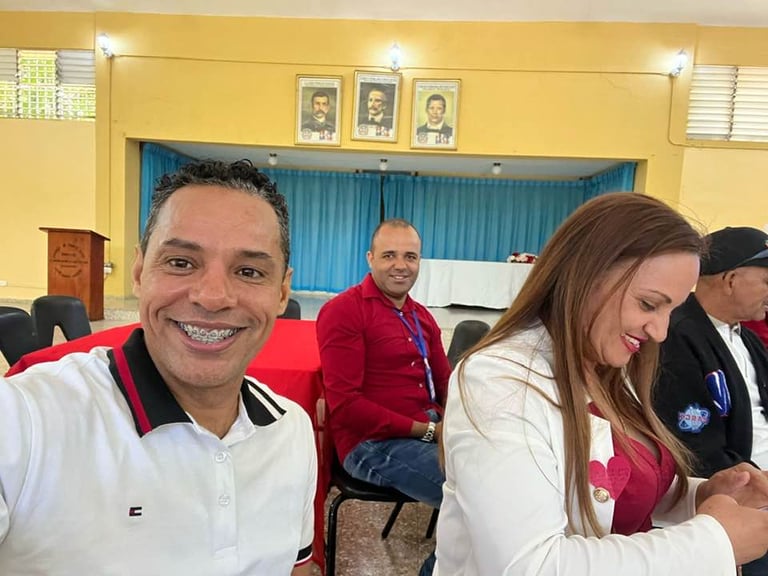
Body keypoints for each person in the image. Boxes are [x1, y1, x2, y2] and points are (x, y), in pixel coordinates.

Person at [0, 160, 317, 575]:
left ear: (282, 293)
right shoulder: (25, 420)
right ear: (139, 272)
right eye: (181, 263)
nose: (212, 297)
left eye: (248, 271)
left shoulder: (292, 429)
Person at [435, 193, 768, 576]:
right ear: (584, 276)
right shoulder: (500, 382)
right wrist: (714, 542)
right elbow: (528, 565)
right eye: (648, 304)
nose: (660, 332)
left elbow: (613, 489)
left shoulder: (608, 367)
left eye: (672, 310)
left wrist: (698, 495)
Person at [316, 218, 450, 576]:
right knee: (477, 496)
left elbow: (445, 382)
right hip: (371, 443)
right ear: (370, 258)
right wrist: (429, 431)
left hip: (429, 429)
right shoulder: (344, 310)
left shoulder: (421, 316)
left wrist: (466, 420)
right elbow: (346, 407)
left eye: (410, 256)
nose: (400, 265)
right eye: (389, 255)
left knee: (500, 474)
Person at [653, 226, 768, 575]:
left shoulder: (747, 340)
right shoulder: (676, 337)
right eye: (767, 281)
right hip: (734, 498)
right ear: (731, 279)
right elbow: (697, 445)